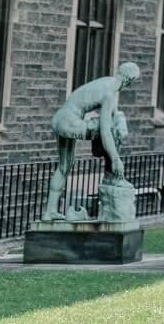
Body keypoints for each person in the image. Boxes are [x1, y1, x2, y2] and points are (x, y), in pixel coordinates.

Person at [42, 62, 140, 222]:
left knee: (64, 166)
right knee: (108, 130)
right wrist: (115, 158)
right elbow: (105, 130)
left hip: (62, 118)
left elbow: (113, 112)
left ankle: (50, 212)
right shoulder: (109, 93)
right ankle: (113, 175)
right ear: (129, 80)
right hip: (70, 121)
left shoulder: (107, 81)